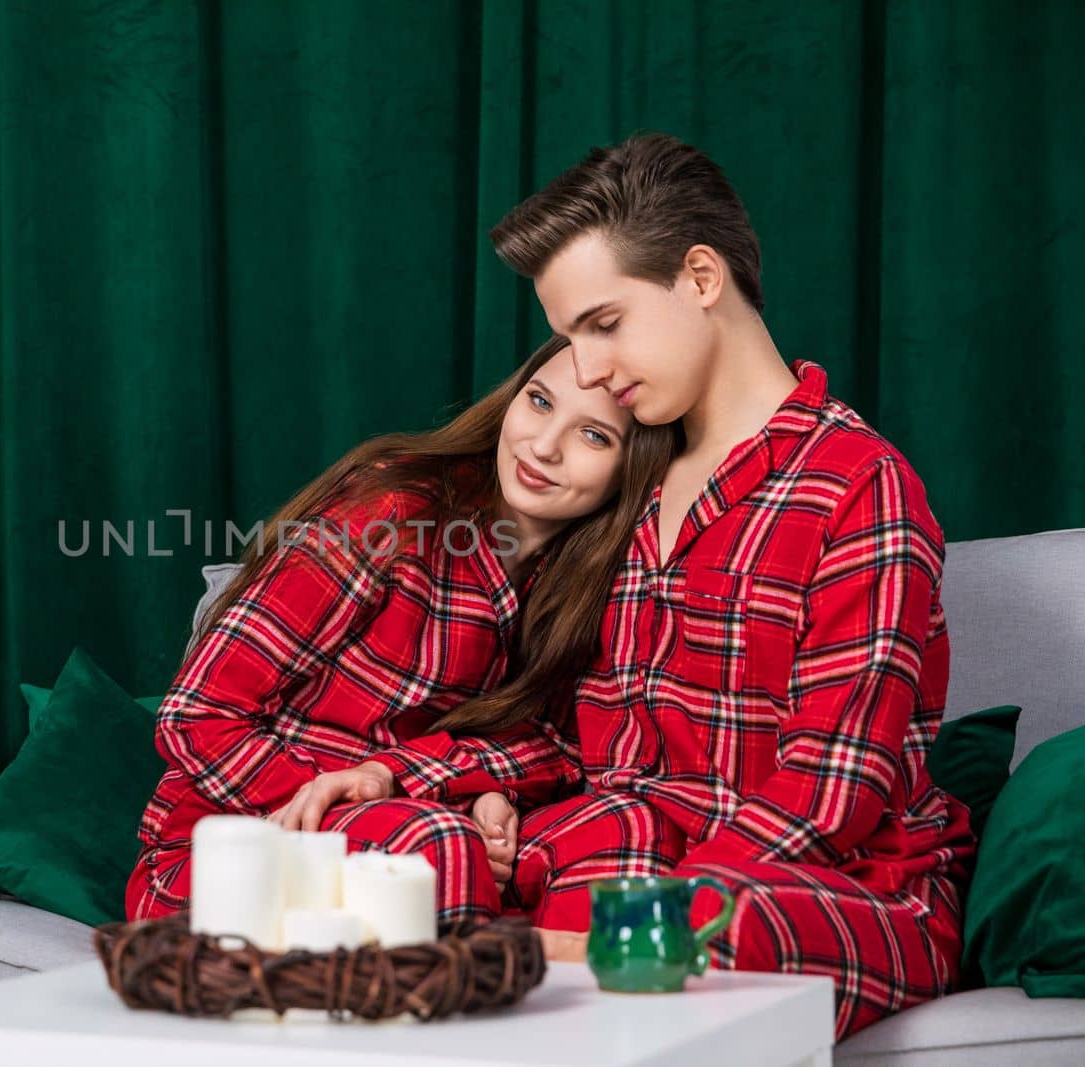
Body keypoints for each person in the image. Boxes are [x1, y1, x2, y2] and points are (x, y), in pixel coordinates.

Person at [490, 132, 975, 1038]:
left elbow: (836, 791)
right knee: (447, 863)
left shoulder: (858, 484)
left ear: (701, 277)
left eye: (604, 324)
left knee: (714, 918)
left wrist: (622, 916)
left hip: (830, 888)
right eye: (568, 339)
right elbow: (585, 746)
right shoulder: (628, 482)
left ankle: (568, 957)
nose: (587, 370)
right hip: (632, 863)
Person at [126, 335, 678, 925]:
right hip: (233, 849)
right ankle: (463, 991)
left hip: (409, 822)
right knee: (431, 851)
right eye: (540, 402)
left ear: (633, 468)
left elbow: (563, 750)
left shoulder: (603, 580)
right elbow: (196, 714)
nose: (543, 446)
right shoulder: (393, 516)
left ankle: (567, 1001)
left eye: (594, 435)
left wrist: (465, 791)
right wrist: (371, 796)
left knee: (630, 827)